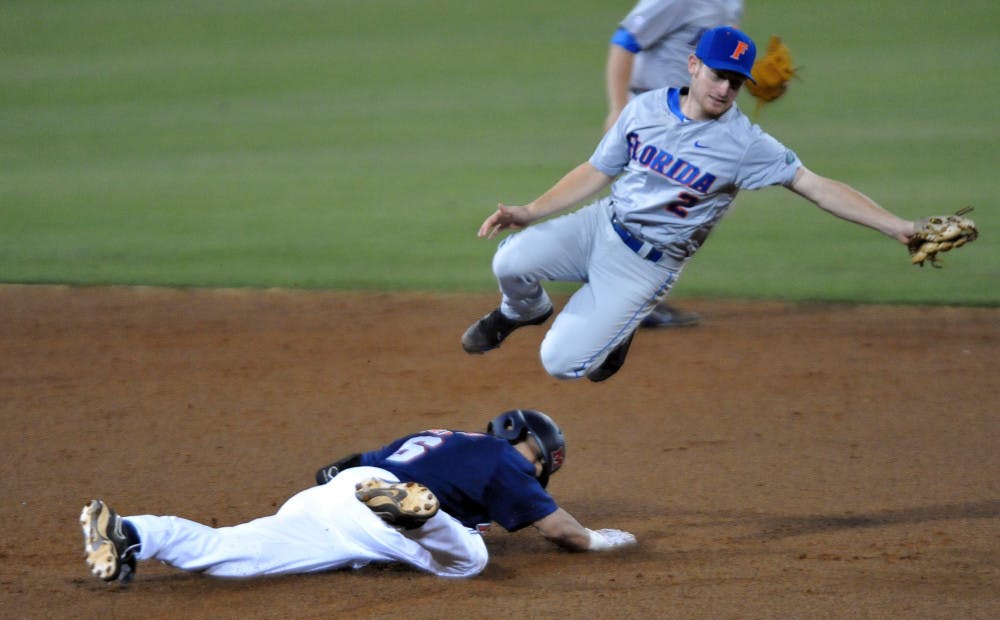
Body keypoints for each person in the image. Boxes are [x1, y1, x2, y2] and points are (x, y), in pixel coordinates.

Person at [461, 26, 918, 383]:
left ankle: (620, 331)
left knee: (559, 362)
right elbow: (597, 170)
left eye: (737, 83)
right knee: (510, 260)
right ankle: (522, 312)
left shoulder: (745, 144)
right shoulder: (644, 109)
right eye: (719, 75)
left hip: (646, 267)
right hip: (599, 226)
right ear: (694, 65)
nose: (725, 90)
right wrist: (530, 211)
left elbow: (816, 186)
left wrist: (895, 226)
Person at [80, 409, 636, 585]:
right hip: (385, 510)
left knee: (230, 555)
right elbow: (565, 534)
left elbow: (348, 465)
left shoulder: (438, 436)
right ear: (536, 451)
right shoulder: (506, 460)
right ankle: (420, 518)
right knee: (470, 559)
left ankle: (135, 532)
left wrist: (341, 478)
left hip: (335, 498)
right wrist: (606, 540)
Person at [604, 0, 745, 328]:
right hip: (652, 109)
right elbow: (625, 40)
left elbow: (725, 44)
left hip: (691, 115)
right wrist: (616, 107)